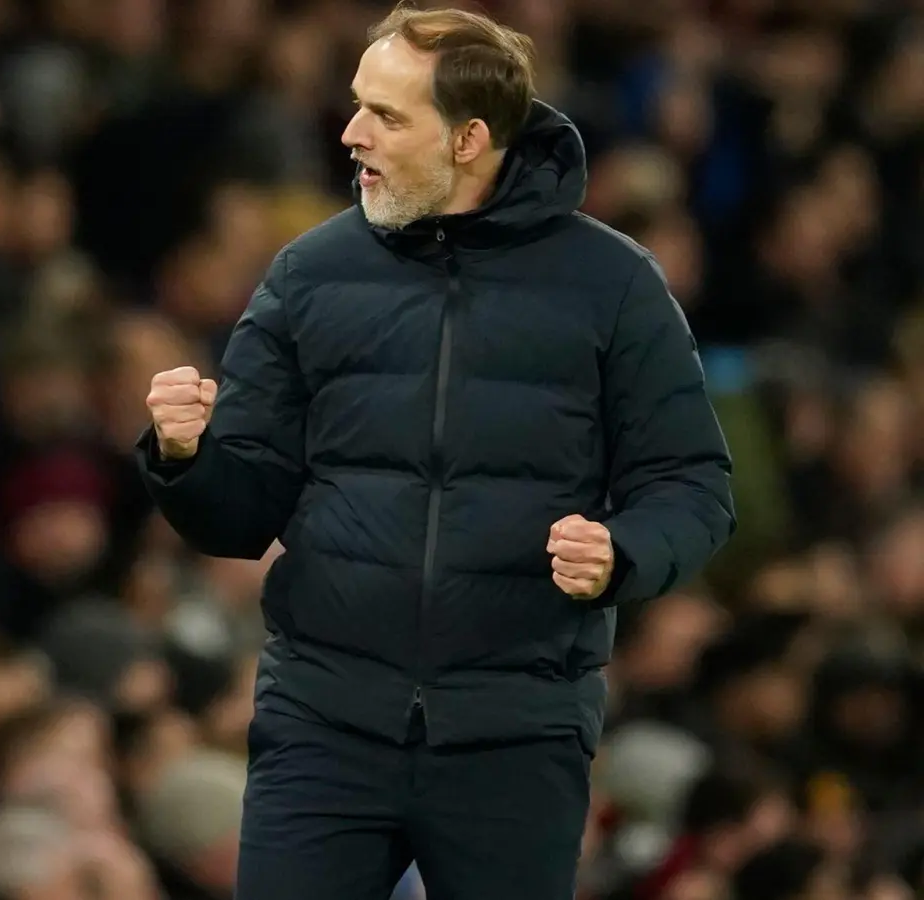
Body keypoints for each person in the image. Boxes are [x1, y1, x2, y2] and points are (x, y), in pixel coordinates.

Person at [137, 6, 734, 900]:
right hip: (322, 722)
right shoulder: (308, 274)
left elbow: (693, 485)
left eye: (385, 115)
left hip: (516, 733)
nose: (350, 134)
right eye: (355, 106)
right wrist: (185, 458)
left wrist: (624, 552)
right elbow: (241, 511)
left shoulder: (613, 285)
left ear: (469, 139)